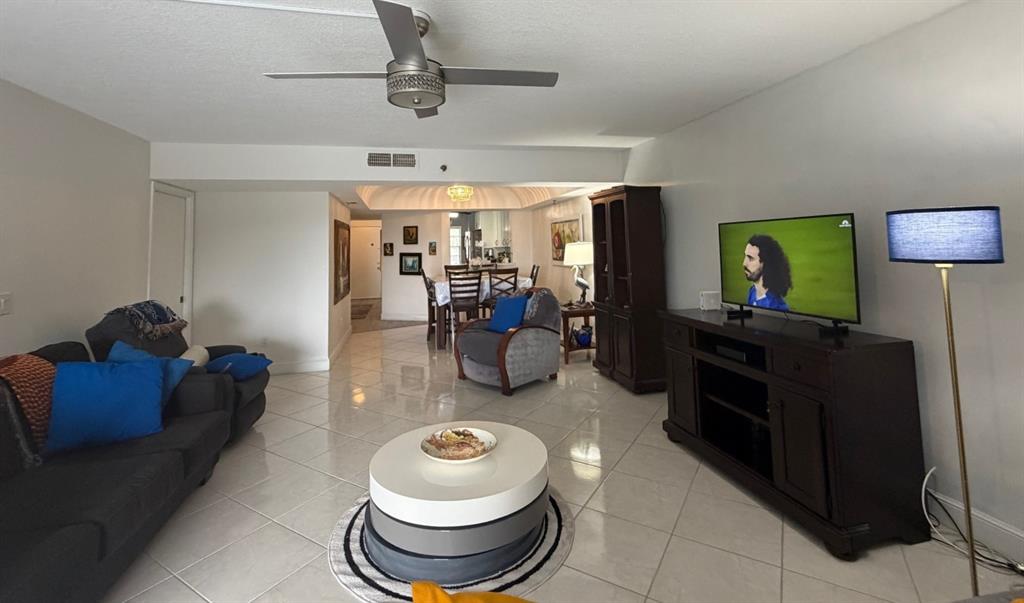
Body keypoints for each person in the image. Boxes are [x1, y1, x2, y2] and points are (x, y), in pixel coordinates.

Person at [743, 234, 792, 311]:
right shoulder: (752, 291)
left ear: (765, 263)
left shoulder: (776, 307)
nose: (744, 263)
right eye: (745, 256)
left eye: (750, 258)